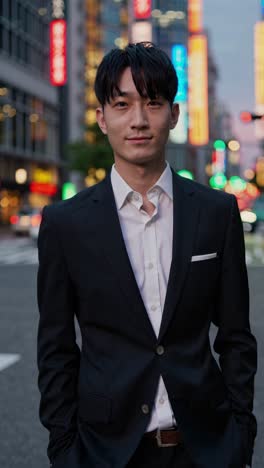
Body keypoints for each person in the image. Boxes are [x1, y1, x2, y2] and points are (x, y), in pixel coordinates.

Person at [37, 42, 257, 468]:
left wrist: (240, 436)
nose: (138, 120)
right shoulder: (65, 224)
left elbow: (236, 338)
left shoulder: (216, 212)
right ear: (102, 118)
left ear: (173, 114)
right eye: (122, 105)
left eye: (153, 103)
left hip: (206, 448)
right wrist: (64, 450)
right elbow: (56, 349)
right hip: (105, 451)